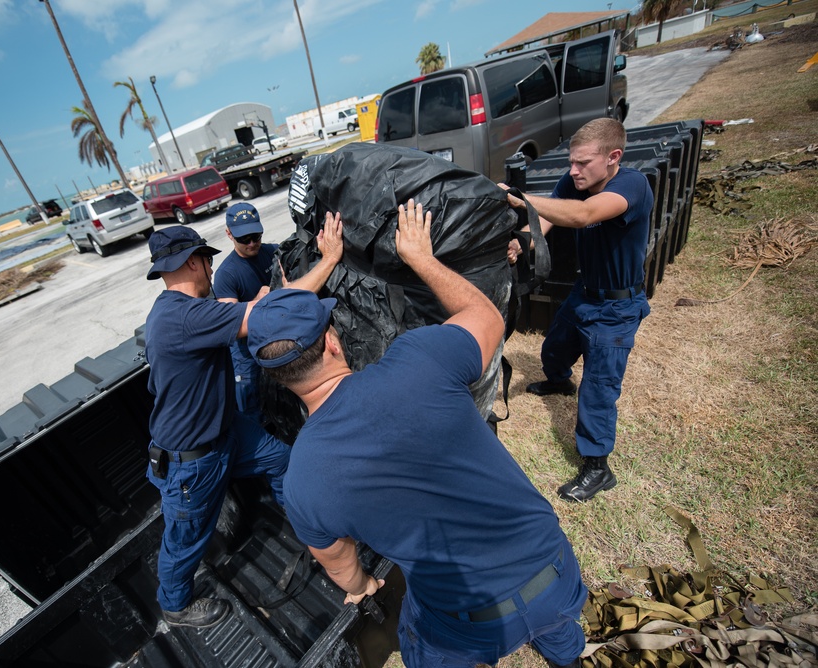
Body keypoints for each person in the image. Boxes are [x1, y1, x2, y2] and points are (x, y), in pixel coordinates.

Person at [247, 200, 588, 668]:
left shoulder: (303, 478)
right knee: (558, 630)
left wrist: (363, 586)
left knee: (419, 646)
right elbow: (487, 319)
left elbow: (339, 564)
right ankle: (567, 656)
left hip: (467, 625)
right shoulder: (421, 359)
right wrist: (421, 258)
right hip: (555, 573)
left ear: (277, 376)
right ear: (332, 340)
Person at [143, 218, 342, 629]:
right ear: (195, 262)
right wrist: (330, 260)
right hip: (193, 462)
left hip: (226, 432)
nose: (213, 270)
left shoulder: (176, 311)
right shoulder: (186, 318)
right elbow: (272, 315)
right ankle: (175, 605)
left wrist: (262, 300)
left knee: (282, 460)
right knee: (185, 542)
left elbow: (242, 312)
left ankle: (312, 532)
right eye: (207, 260)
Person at [505, 117, 653, 502]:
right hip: (584, 293)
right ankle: (558, 380)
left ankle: (597, 467)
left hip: (617, 307)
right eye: (571, 162)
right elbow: (548, 222)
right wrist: (524, 244)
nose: (573, 171)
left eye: (582, 162)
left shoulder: (632, 186)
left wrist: (520, 196)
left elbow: (583, 214)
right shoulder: (576, 181)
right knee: (553, 347)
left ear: (613, 157)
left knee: (599, 390)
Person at [212, 202, 280, 422]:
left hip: (277, 341)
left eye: (256, 236)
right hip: (248, 355)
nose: (252, 243)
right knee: (253, 411)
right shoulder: (226, 275)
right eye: (244, 239)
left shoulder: (272, 252)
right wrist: (257, 302)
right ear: (229, 234)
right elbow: (229, 325)